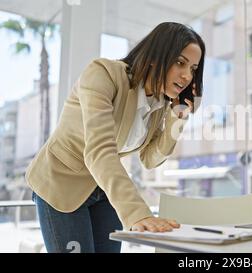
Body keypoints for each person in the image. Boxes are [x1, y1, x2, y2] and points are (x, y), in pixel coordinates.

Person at [25, 22, 205, 253]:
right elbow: (99, 151)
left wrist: (177, 119)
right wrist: (138, 213)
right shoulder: (103, 74)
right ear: (155, 55)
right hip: (61, 182)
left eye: (193, 68)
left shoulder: (158, 103)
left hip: (103, 187)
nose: (187, 76)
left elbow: (150, 159)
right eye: (180, 63)